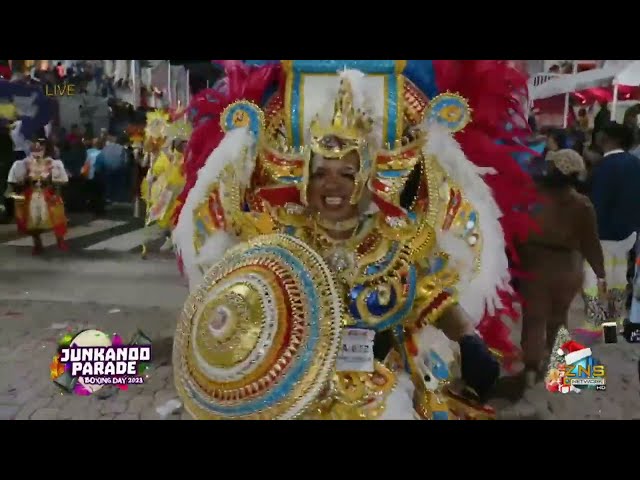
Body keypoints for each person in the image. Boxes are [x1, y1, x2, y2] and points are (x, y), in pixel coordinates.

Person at [171, 60, 538, 420]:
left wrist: (469, 341)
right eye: (320, 174)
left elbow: (430, 298)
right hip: (297, 389)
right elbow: (240, 288)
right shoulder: (279, 236)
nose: (333, 186)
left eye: (346, 173)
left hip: (378, 383)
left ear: (365, 178)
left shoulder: (394, 239)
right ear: (303, 180)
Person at [518, 149, 606, 388]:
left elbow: (516, 231)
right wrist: (600, 271)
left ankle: (530, 367)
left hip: (534, 263)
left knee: (534, 318)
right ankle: (557, 362)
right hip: (568, 267)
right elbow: (591, 242)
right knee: (558, 317)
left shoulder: (531, 197)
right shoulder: (582, 204)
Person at [582, 121, 640, 334]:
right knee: (618, 279)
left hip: (603, 233)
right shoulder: (634, 163)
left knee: (594, 278)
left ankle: (594, 323)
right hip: (628, 233)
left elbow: (597, 202)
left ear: (607, 138)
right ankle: (612, 327)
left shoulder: (605, 166)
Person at [5, 136, 69, 254]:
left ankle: (60, 240)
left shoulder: (53, 163)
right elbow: (15, 180)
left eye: (40, 148)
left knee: (57, 218)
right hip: (31, 195)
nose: (36, 150)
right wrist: (22, 180)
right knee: (32, 222)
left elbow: (60, 181)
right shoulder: (23, 163)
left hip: (48, 193)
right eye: (34, 148)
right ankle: (37, 244)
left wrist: (56, 193)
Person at [82, 138, 105, 216]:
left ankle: (93, 208)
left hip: (90, 175)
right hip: (99, 175)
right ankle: (99, 209)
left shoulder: (89, 152)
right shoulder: (103, 152)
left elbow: (86, 163)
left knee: (92, 192)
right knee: (99, 193)